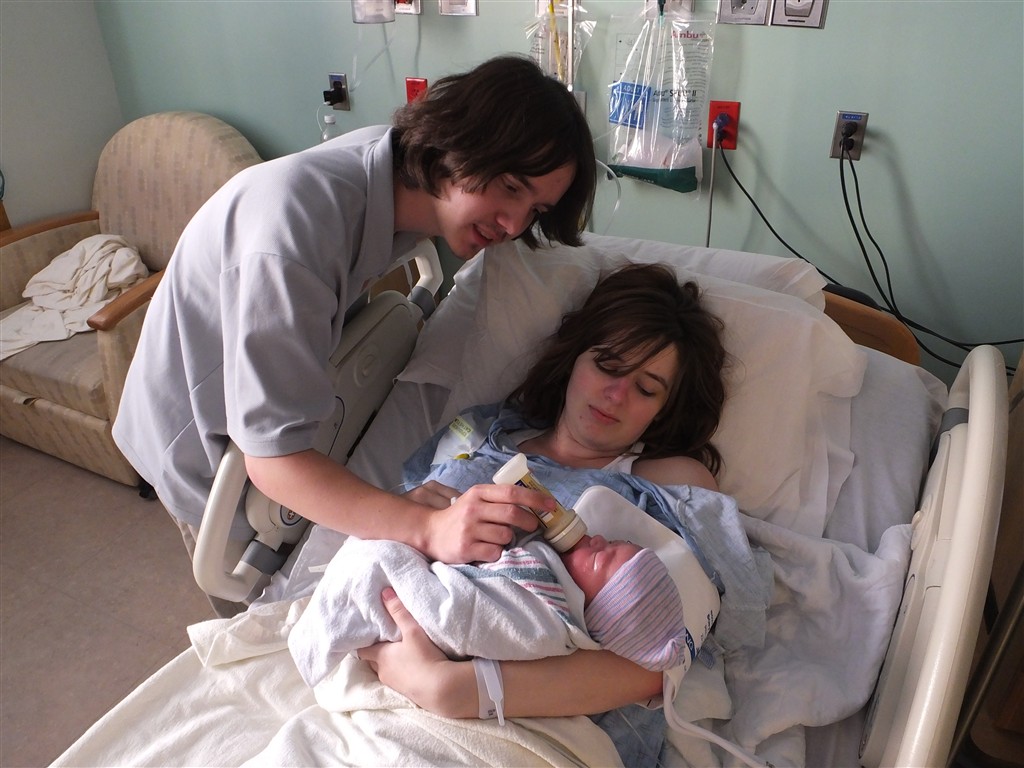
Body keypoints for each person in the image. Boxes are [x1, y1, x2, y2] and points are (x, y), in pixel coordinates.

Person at [110, 55, 598, 607]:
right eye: (510, 187)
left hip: (269, 416)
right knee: (255, 613)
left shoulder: (393, 174)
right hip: (198, 439)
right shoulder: (295, 228)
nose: (513, 225)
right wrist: (424, 527)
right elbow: (274, 461)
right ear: (458, 143)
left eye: (535, 210)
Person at [357, 262, 755, 765]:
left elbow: (664, 655)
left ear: (665, 410)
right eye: (608, 364)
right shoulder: (478, 433)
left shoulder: (670, 483)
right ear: (575, 356)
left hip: (541, 729)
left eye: (646, 388)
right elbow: (388, 547)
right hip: (388, 682)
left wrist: (460, 688)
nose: (616, 394)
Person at [288, 531, 693, 690]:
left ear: (598, 608)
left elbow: (461, 619)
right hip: (436, 568)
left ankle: (320, 637)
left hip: (429, 611)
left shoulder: (545, 623)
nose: (598, 538)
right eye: (612, 540)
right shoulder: (554, 571)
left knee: (377, 561)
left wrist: (409, 570)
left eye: (602, 558)